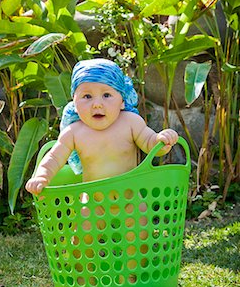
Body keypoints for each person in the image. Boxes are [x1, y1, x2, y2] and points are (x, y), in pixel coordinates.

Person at [25, 58, 178, 195]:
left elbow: (149, 142)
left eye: (106, 95)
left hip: (131, 201)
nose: (97, 104)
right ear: (74, 103)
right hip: (93, 204)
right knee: (85, 225)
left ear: (122, 100)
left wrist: (161, 141)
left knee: (140, 226)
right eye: (87, 96)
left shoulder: (131, 122)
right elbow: (54, 157)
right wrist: (42, 176)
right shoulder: (73, 132)